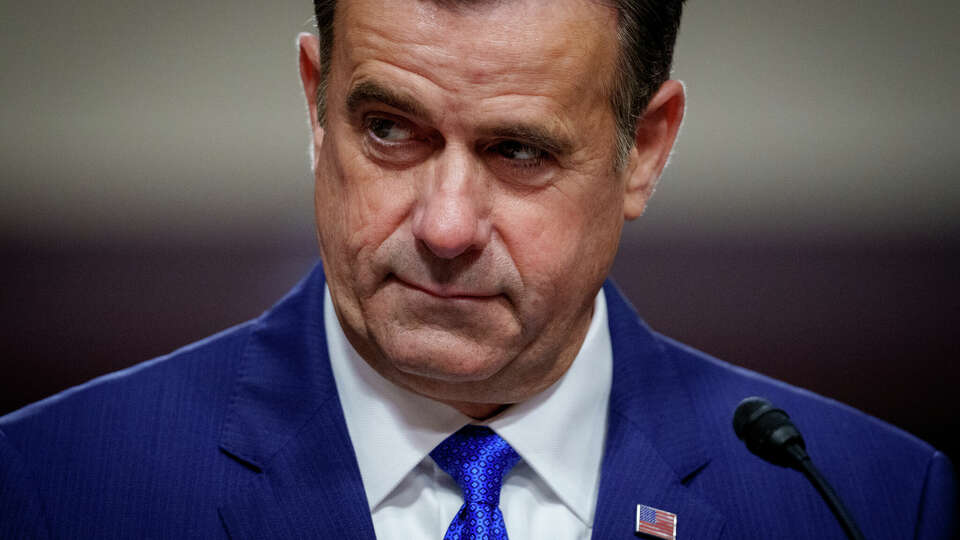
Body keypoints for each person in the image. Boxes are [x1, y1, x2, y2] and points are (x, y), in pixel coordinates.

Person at [0, 0, 955, 538]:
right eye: (387, 130)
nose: (446, 226)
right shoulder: (50, 487)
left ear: (648, 149)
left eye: (519, 151)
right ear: (313, 100)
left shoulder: (862, 503)